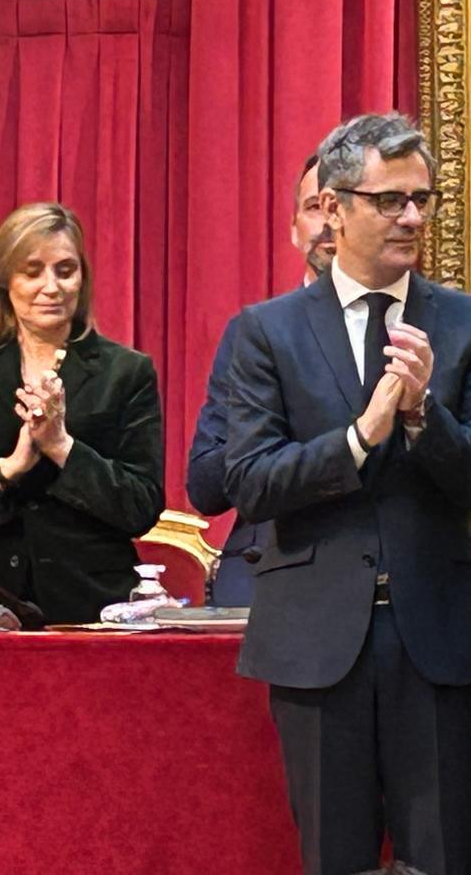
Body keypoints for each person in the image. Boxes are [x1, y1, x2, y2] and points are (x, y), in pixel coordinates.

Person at [223, 112, 471, 875]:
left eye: (422, 199)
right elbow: (248, 482)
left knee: (444, 857)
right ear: (333, 208)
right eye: (389, 200)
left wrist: (422, 415)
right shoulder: (266, 332)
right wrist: (360, 436)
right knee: (334, 858)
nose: (411, 217)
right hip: (316, 637)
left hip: (439, 634)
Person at [0, 202, 164, 625]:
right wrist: (8, 469)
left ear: (82, 277)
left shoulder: (127, 372)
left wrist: (63, 448)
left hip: (92, 610)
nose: (52, 286)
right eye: (32, 271)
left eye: (65, 270)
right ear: (5, 281)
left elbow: (141, 505)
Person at [187, 151, 336, 605]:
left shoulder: (419, 327)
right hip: (263, 567)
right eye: (315, 208)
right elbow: (205, 486)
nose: (329, 224)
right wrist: (270, 420)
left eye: (342, 206)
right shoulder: (253, 334)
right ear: (294, 229)